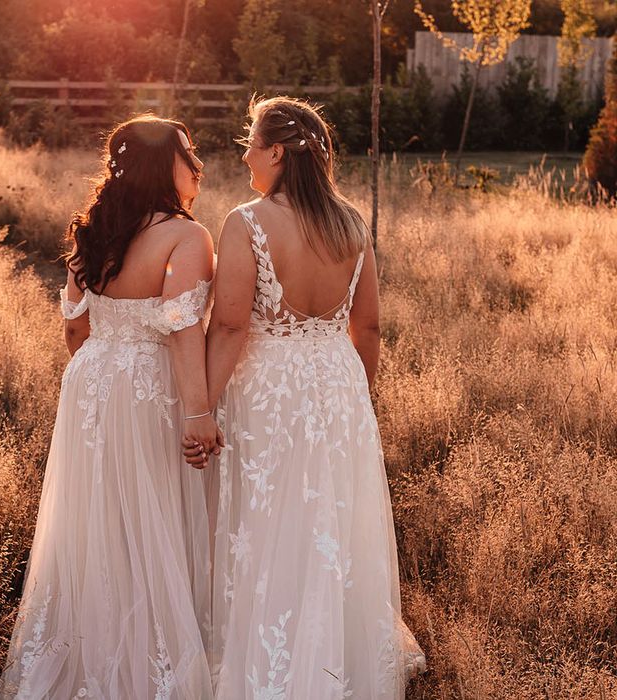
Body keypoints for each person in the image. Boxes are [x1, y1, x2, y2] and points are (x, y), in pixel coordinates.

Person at [184, 96, 426, 699]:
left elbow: (232, 325)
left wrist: (204, 409)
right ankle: (334, 660)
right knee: (330, 520)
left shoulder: (247, 222)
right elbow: (367, 327)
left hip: (269, 388)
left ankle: (271, 665)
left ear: (276, 153)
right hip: (338, 383)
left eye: (251, 144)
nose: (244, 156)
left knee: (267, 520)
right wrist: (357, 402)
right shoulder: (352, 224)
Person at [0, 115, 217, 699]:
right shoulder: (187, 237)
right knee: (154, 511)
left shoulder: (96, 229)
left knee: (99, 516)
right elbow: (182, 329)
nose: (198, 166)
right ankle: (154, 658)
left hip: (91, 381)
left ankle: (92, 642)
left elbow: (74, 328)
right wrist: (198, 412)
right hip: (150, 383)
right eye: (188, 153)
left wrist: (101, 363)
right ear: (163, 165)